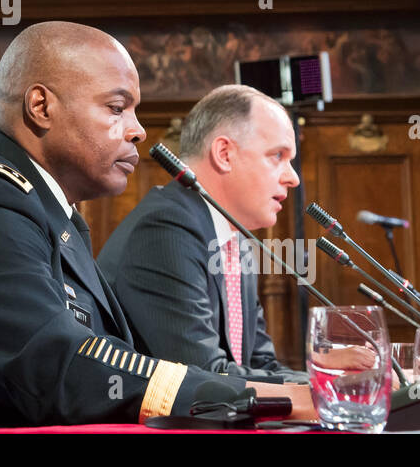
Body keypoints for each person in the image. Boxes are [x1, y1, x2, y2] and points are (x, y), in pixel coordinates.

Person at [0, 22, 311, 432]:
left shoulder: (47, 211)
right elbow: (57, 365)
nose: (138, 131)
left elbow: (101, 359)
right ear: (40, 107)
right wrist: (261, 400)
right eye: (116, 108)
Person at [99, 84, 307, 382]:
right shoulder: (166, 228)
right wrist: (334, 386)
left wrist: (339, 381)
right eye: (277, 156)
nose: (293, 177)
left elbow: (263, 365)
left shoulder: (234, 241)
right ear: (224, 154)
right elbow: (206, 376)